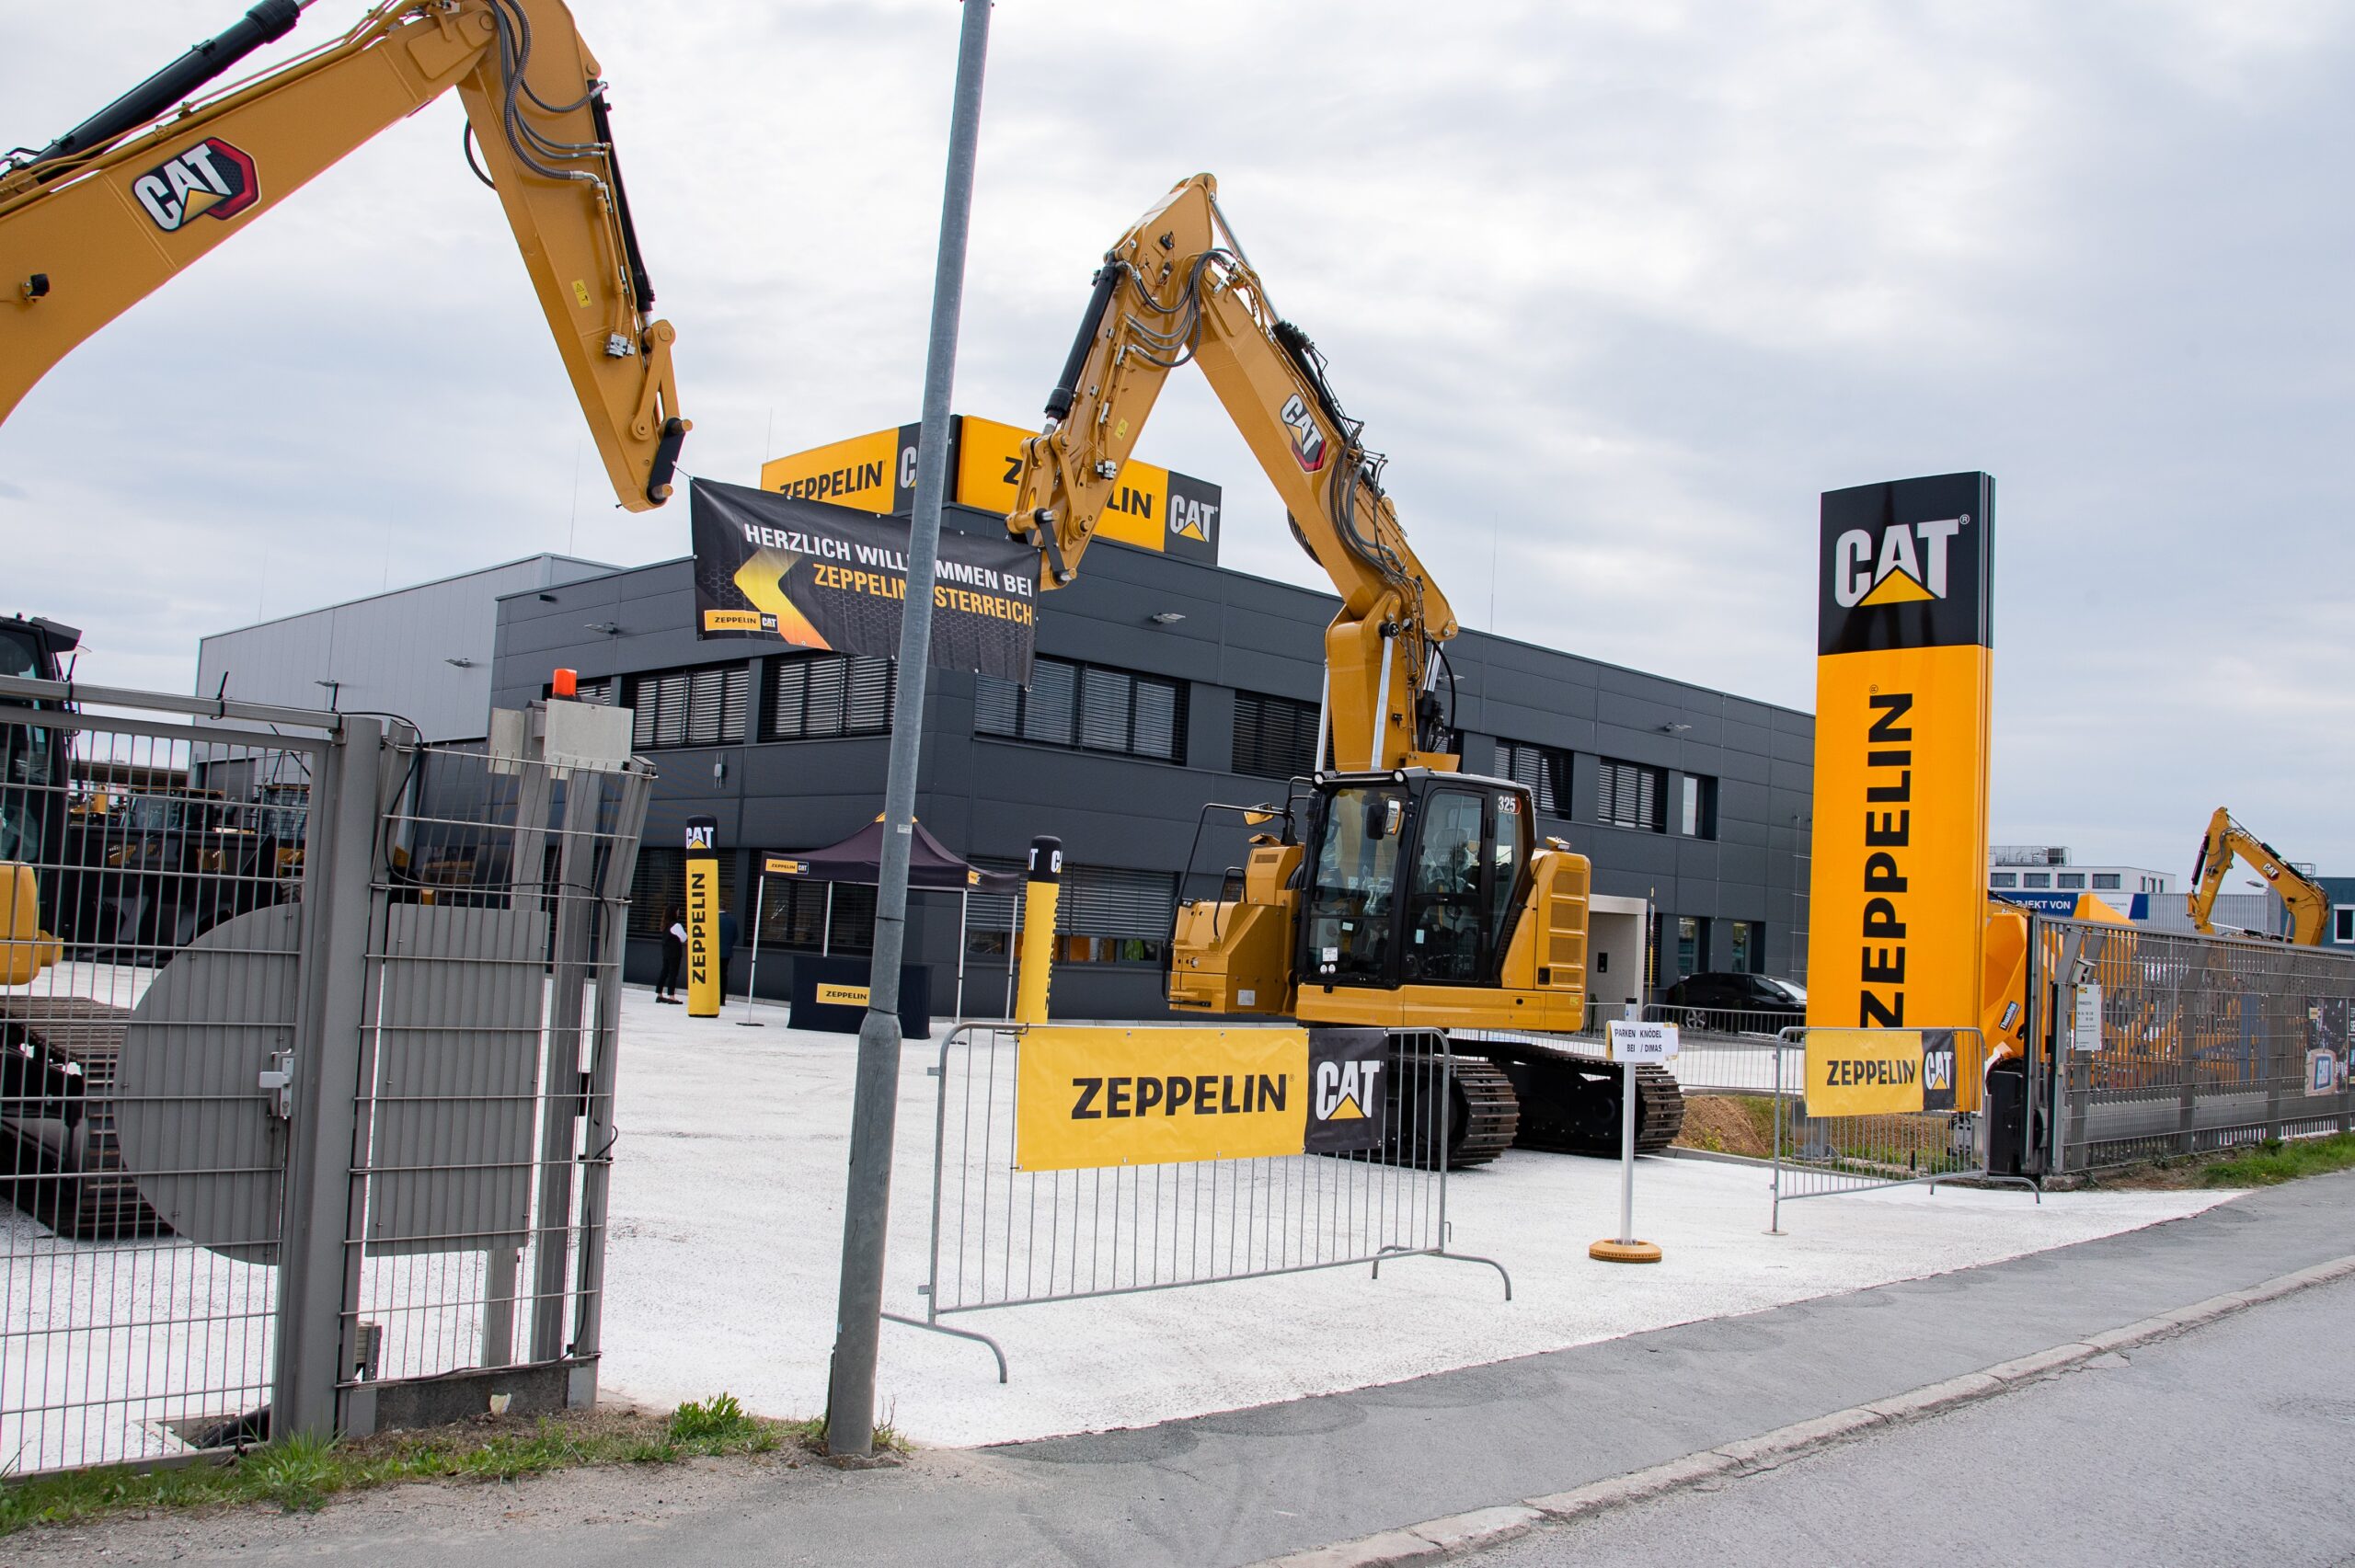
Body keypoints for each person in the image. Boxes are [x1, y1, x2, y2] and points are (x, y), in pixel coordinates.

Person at [657, 904, 685, 1003]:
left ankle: (659, 994)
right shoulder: (676, 925)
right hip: (675, 953)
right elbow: (684, 938)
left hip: (666, 952)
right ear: (674, 912)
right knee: (673, 974)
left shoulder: (665, 924)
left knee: (664, 972)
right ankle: (671, 996)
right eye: (678, 911)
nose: (679, 913)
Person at [717, 907, 741, 999]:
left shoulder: (714, 919)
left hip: (714, 953)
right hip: (726, 952)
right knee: (723, 974)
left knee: (714, 975)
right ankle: (722, 999)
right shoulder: (732, 920)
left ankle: (714, 997)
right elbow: (736, 936)